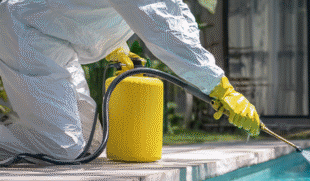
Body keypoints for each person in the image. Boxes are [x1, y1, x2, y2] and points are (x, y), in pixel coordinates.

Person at [0, 0, 260, 162]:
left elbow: (172, 17)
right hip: (26, 31)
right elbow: (165, 29)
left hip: (53, 40)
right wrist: (221, 88)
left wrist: (117, 47)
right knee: (63, 148)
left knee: (90, 145)